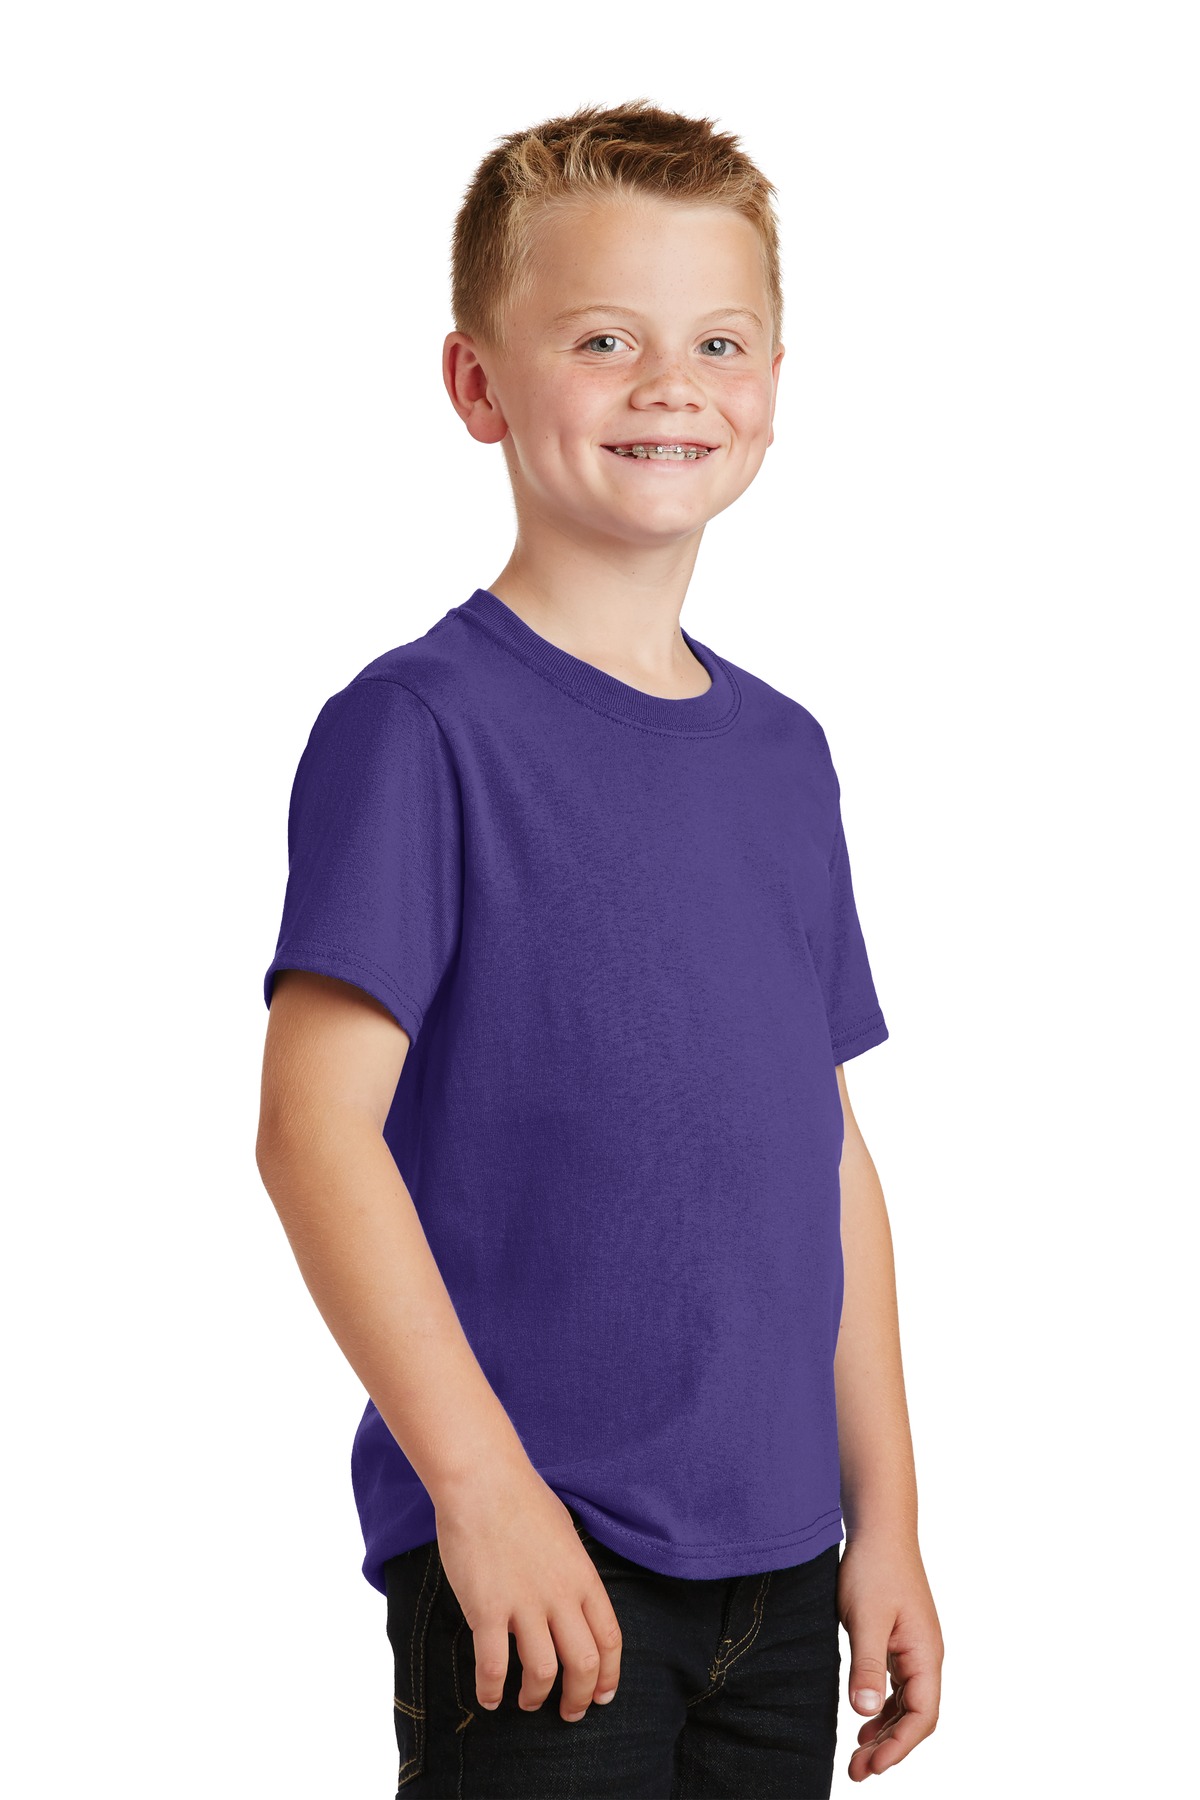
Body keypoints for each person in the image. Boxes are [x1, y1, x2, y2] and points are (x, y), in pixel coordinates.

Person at [256, 100, 943, 1797]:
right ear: (477, 383)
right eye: (603, 340)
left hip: (781, 1573)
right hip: (543, 1559)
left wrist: (888, 1518)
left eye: (719, 341)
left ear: (773, 379)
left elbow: (823, 1149)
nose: (670, 385)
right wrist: (481, 1491)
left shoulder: (784, 754)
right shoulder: (419, 729)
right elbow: (313, 1133)